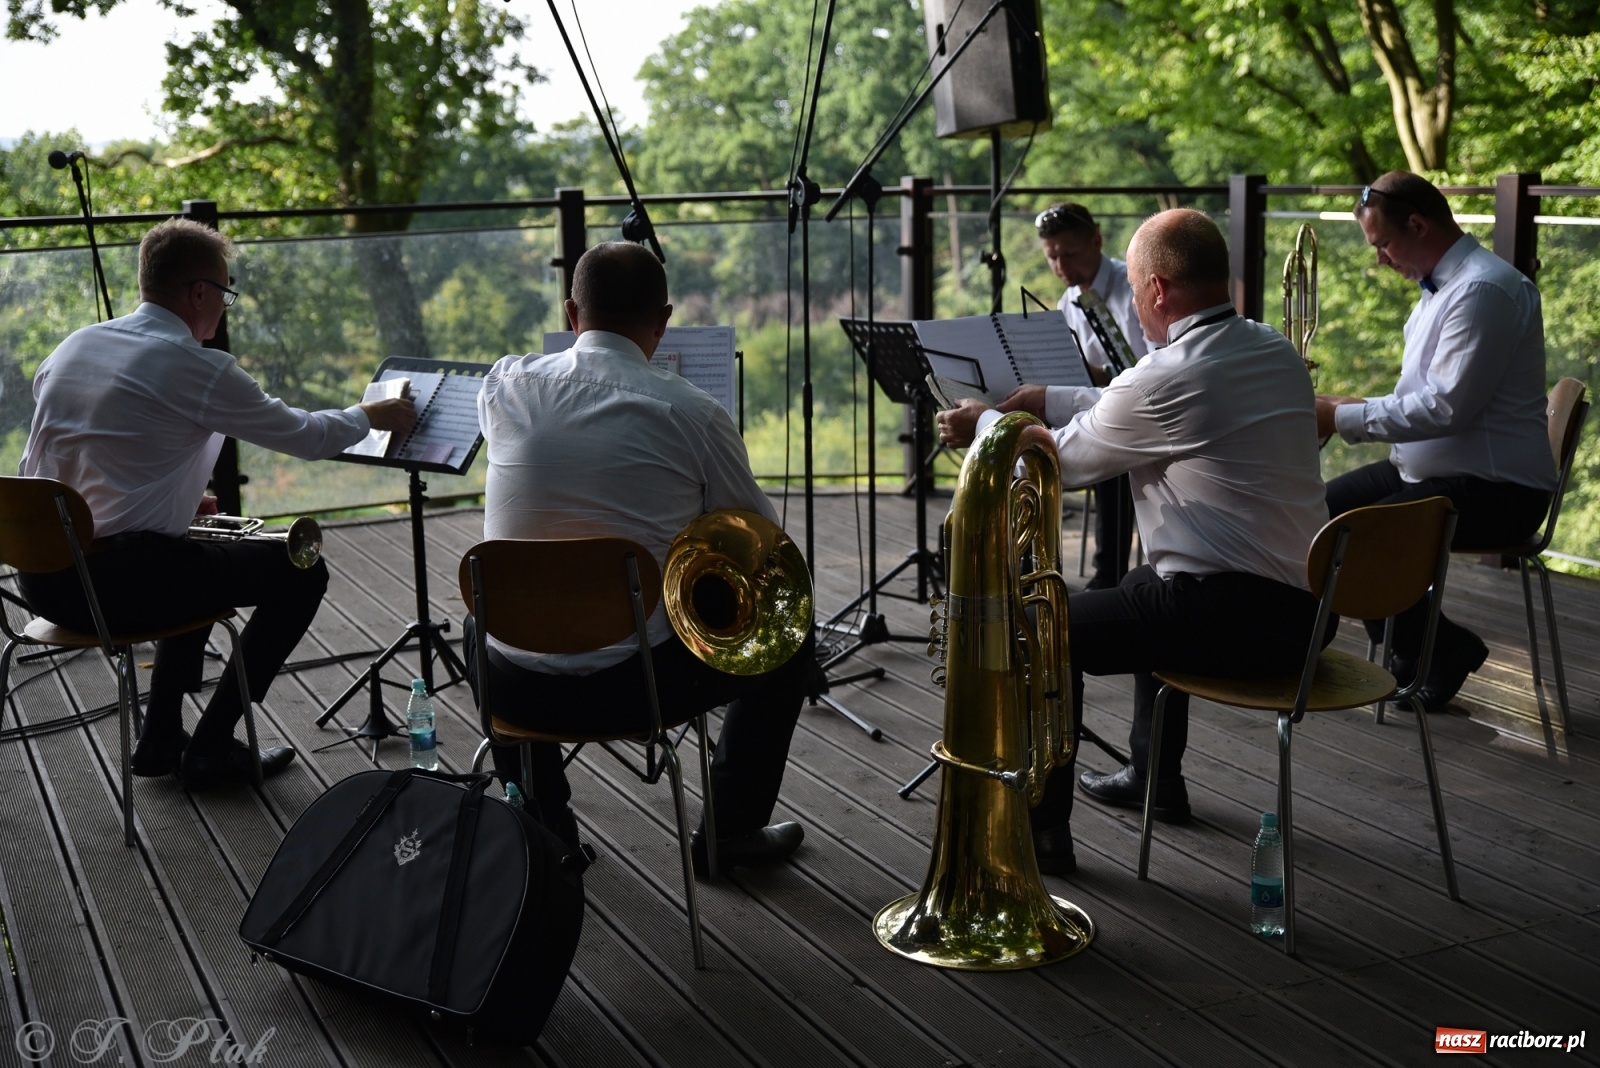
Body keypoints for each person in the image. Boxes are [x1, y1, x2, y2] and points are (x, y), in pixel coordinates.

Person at [936, 209, 1328, 872]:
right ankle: (1154, 777)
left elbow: (1061, 459)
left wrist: (987, 425)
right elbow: (1119, 405)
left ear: (1156, 291)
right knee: (1139, 588)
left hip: (1238, 620)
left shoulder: (1169, 374)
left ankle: (1039, 839)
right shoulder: (1271, 348)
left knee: (1038, 624)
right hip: (1310, 611)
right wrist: (1043, 397)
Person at [17, 218, 416, 790]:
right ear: (200, 293)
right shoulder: (195, 367)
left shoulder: (76, 344)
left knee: (187, 553)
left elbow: (83, 449)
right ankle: (212, 744)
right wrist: (371, 416)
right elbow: (305, 436)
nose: (224, 308)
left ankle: (160, 738)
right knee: (303, 570)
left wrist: (171, 498)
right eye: (225, 294)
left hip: (43, 579)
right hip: (111, 590)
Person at [470, 241, 810, 874]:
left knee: (485, 616)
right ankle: (728, 838)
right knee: (791, 640)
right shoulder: (695, 413)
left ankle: (546, 830)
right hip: (635, 692)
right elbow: (762, 540)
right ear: (663, 320)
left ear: (571, 314)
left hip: (513, 688)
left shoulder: (504, 384)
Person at [1318, 171, 1556, 713]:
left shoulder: (1481, 290)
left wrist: (1340, 418)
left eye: (1382, 244)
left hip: (1499, 489)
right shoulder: (1444, 287)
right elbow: (1427, 396)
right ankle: (1417, 646)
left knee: (1358, 540)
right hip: (1436, 473)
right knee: (1320, 514)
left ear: (1419, 225)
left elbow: (1446, 408)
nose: (1379, 258)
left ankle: (1438, 649)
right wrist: (1342, 406)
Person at [1035, 202, 1150, 590]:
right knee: (1027, 435)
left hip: (1136, 407)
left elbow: (1153, 368)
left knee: (1110, 444)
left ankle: (1108, 573)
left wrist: (1097, 375)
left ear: (1097, 241)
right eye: (1052, 257)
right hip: (1090, 402)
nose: (1061, 267)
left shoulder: (1132, 289)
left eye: (1069, 254)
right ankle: (1029, 565)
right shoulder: (1069, 300)